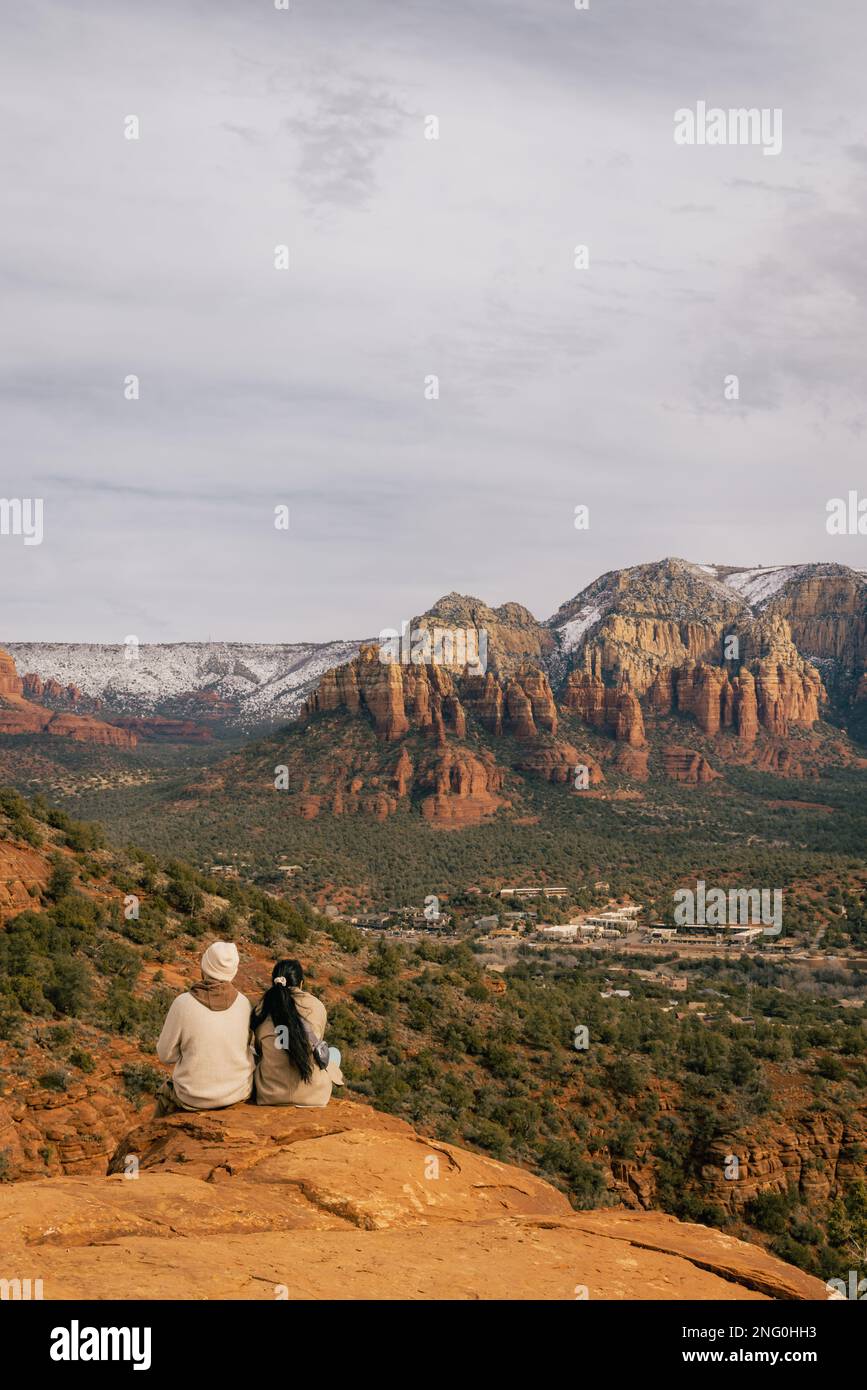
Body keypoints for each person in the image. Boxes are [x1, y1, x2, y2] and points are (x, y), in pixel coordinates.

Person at [155, 941, 254, 1115]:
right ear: (233, 972)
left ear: (203, 966)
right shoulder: (244, 1004)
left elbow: (166, 1055)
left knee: (164, 1094)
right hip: (237, 1093)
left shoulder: (182, 1003)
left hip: (193, 1097)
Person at [251, 958, 344, 1107]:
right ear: (301, 983)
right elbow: (317, 1045)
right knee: (334, 1053)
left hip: (270, 1094)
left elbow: (259, 1050)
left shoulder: (261, 1009)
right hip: (314, 1096)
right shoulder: (315, 1005)